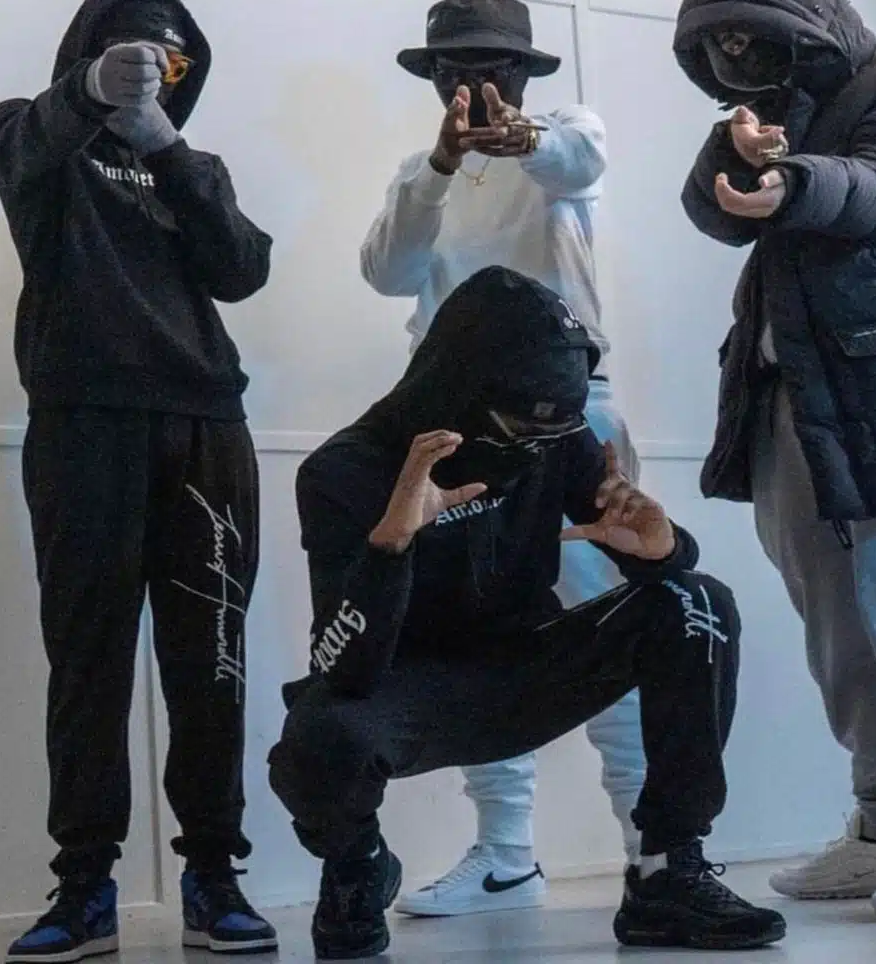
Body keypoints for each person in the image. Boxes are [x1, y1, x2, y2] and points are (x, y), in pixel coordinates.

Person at [268, 266, 787, 959]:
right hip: (407, 688)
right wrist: (391, 546)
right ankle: (357, 865)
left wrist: (663, 549)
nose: (534, 445)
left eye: (554, 428)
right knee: (319, 738)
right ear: (459, 390)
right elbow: (346, 669)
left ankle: (666, 872)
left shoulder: (552, 438)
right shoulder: (344, 471)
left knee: (697, 601)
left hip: (525, 667)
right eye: (519, 426)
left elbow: (647, 554)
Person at [673, 0, 876, 921]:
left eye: (751, 34)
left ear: (802, 14)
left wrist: (794, 180)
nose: (737, 54)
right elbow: (710, 211)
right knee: (834, 631)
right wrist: (741, 154)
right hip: (790, 396)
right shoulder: (766, 112)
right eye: (721, 43)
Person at [0, 0, 278, 960]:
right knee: (89, 661)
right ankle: (84, 888)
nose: (153, 70)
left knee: (212, 664)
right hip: (84, 427)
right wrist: (88, 94)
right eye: (132, 53)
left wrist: (164, 142)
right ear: (89, 52)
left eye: (170, 59)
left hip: (207, 428)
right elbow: (23, 146)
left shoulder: (194, 166)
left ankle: (213, 875)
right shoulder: (31, 134)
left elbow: (242, 269)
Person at [360, 0, 646, 917]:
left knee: (613, 617)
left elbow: (578, 161)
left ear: (524, 74)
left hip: (571, 410)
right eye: (454, 69)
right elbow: (388, 272)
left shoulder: (569, 133)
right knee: (471, 630)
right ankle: (506, 854)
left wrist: (522, 138)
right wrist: (443, 163)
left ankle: (658, 849)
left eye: (494, 67)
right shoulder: (422, 174)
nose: (474, 84)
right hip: (458, 424)